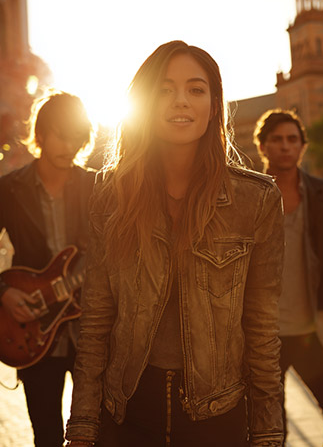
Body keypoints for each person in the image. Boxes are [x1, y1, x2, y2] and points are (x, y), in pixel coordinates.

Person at [65, 41, 285, 447]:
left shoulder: (256, 200)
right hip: (126, 413)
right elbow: (96, 320)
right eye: (164, 89)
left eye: (195, 89)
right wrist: (81, 426)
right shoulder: (112, 195)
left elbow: (262, 330)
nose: (180, 100)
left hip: (216, 416)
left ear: (215, 106)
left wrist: (268, 434)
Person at [0, 92, 96, 446]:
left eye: (77, 137)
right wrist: (2, 293)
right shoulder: (10, 188)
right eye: (61, 135)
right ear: (40, 134)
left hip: (90, 332)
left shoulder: (95, 185)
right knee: (46, 435)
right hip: (32, 333)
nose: (69, 145)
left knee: (97, 434)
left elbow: (115, 251)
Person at [252, 109, 323, 447]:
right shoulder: (247, 195)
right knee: (272, 434)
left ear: (302, 146)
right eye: (277, 140)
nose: (285, 146)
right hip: (262, 338)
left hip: (313, 330)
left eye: (292, 139)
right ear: (262, 146)